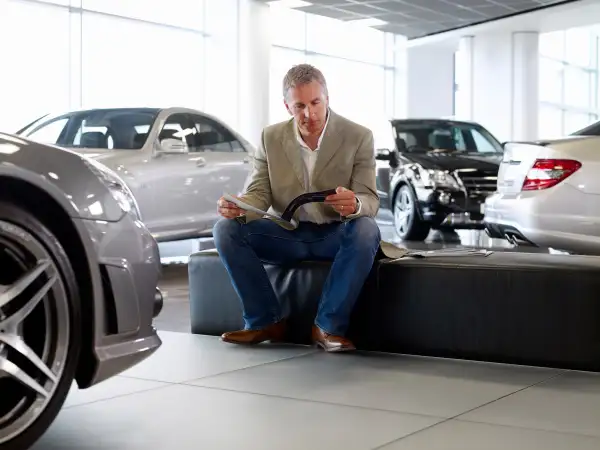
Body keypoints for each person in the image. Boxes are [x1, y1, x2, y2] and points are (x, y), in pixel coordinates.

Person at [213, 64, 381, 352]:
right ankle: (264, 321)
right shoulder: (270, 137)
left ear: (327, 98)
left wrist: (354, 204)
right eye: (299, 106)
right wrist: (240, 208)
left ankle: (327, 327)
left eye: (315, 102)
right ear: (287, 106)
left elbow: (370, 199)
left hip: (334, 234)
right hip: (287, 235)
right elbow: (259, 194)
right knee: (226, 229)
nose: (309, 114)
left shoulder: (358, 136)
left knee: (366, 228)